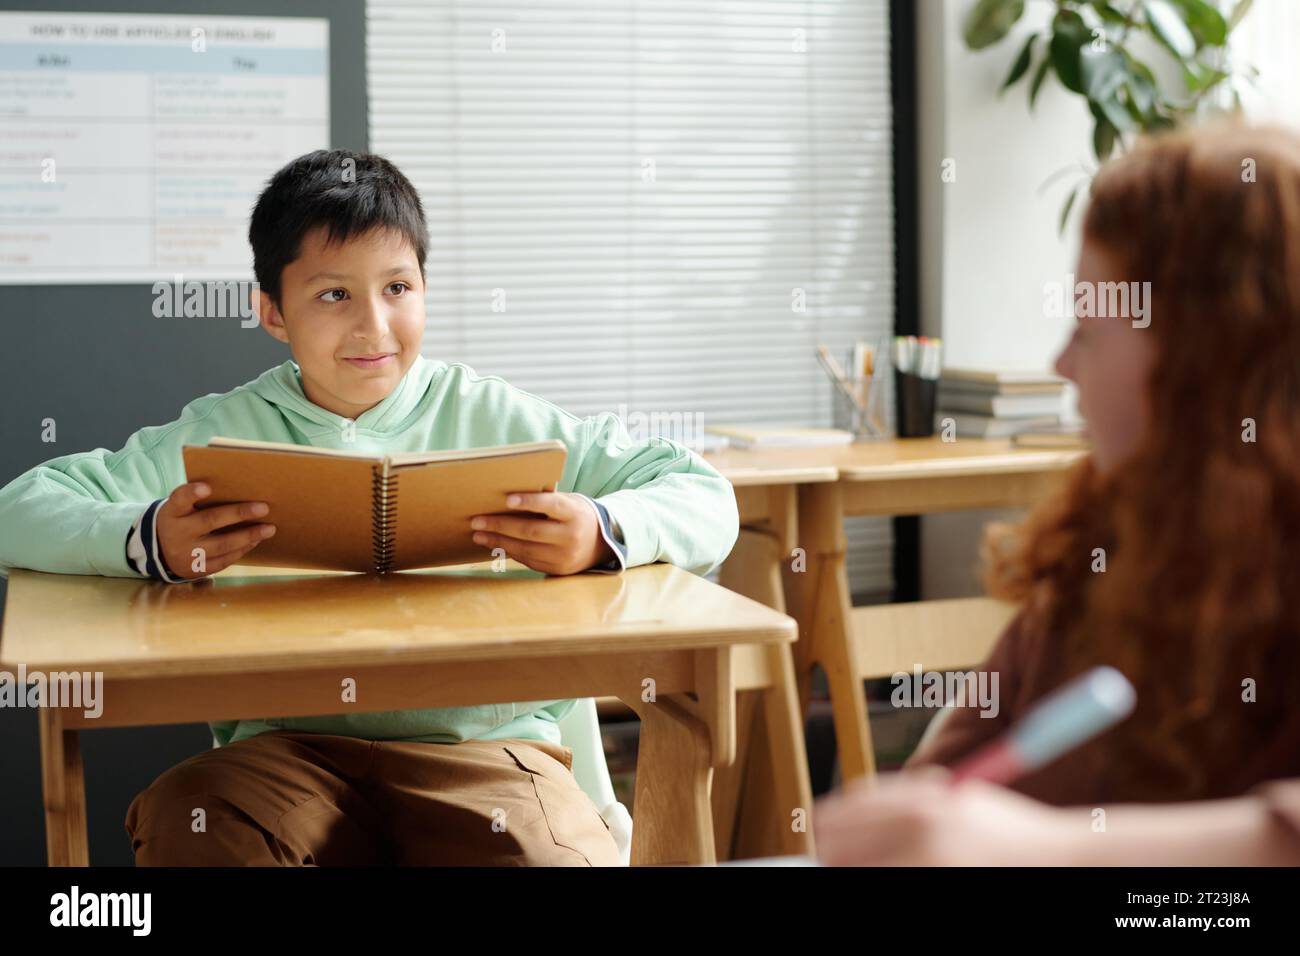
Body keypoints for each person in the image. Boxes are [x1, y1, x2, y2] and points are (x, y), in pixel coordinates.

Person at [0, 149, 740, 865]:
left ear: (425, 289)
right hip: (285, 758)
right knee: (194, 825)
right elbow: (20, 509)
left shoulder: (503, 417)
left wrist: (603, 531)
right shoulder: (215, 438)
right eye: (333, 295)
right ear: (272, 312)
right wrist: (147, 538)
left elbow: (704, 492)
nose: (373, 327)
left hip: (489, 756)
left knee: (544, 854)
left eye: (397, 289)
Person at [817, 122, 1300, 864]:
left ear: (1206, 367)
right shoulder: (1099, 547)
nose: (1061, 362)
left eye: (1087, 329)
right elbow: (945, 793)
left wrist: (1053, 850)